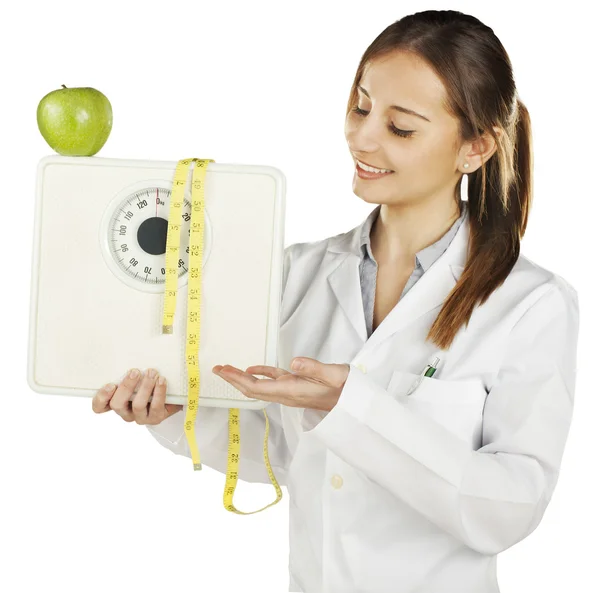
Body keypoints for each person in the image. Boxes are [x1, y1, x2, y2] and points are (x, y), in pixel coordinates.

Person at [92, 9, 580, 593]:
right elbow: (280, 449)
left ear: (475, 147)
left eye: (401, 128)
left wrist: (353, 405)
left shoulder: (531, 304)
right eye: (361, 106)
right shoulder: (297, 273)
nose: (363, 137)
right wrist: (174, 418)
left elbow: (509, 508)